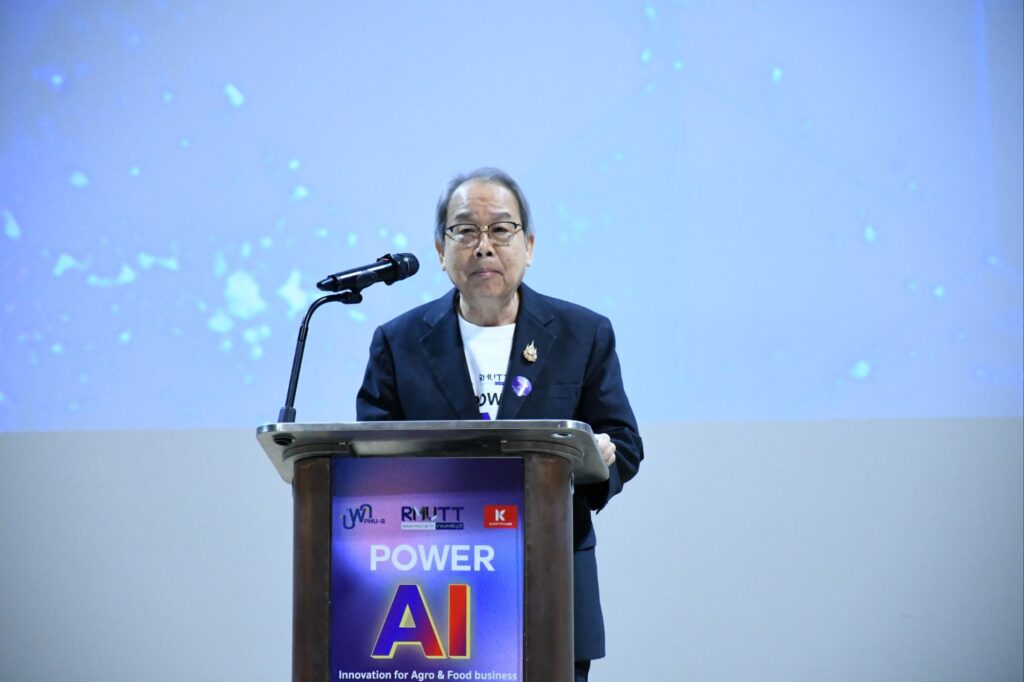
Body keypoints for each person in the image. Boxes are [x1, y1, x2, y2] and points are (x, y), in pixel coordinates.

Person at [356, 168, 643, 681]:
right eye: (465, 230)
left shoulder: (582, 334)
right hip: (431, 593)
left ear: (528, 246)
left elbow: (624, 442)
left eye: (501, 230)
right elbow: (371, 455)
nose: (483, 246)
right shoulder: (399, 343)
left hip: (550, 584)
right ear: (441, 251)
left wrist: (597, 459)